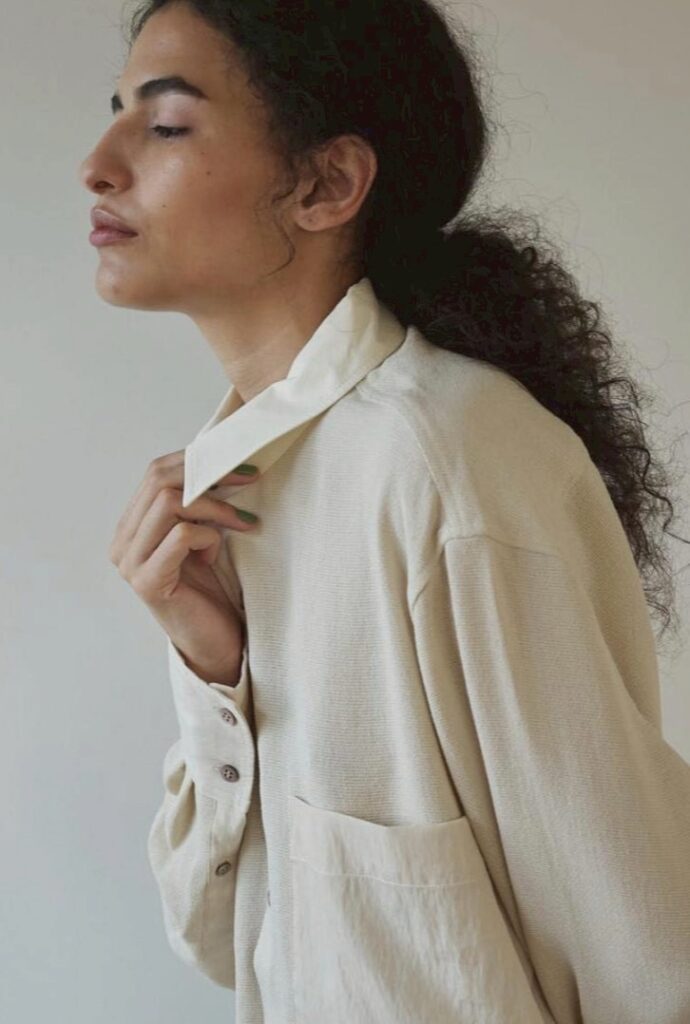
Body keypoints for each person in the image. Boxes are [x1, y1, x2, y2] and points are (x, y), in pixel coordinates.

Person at [79, 2, 690, 1022]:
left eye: (167, 123)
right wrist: (218, 670)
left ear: (326, 184)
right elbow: (219, 940)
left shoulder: (451, 467)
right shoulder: (247, 496)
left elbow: (651, 957)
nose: (97, 165)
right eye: (115, 112)